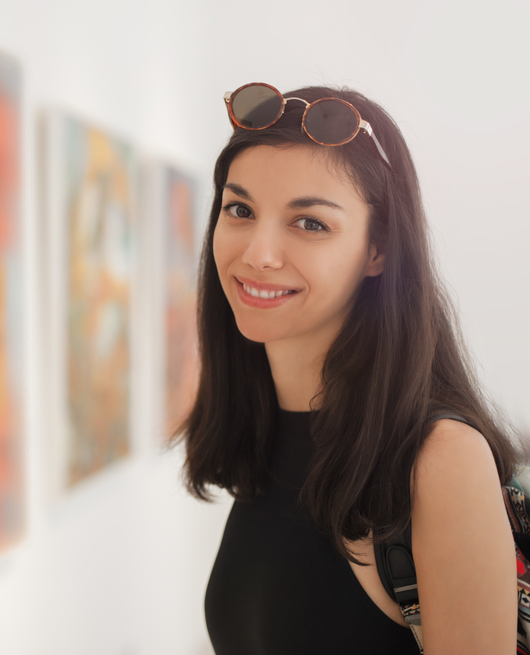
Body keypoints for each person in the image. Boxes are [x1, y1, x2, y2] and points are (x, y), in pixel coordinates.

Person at [181, 83, 520, 654]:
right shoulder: (263, 430)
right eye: (240, 209)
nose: (258, 252)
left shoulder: (439, 457)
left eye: (309, 223)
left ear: (378, 250)